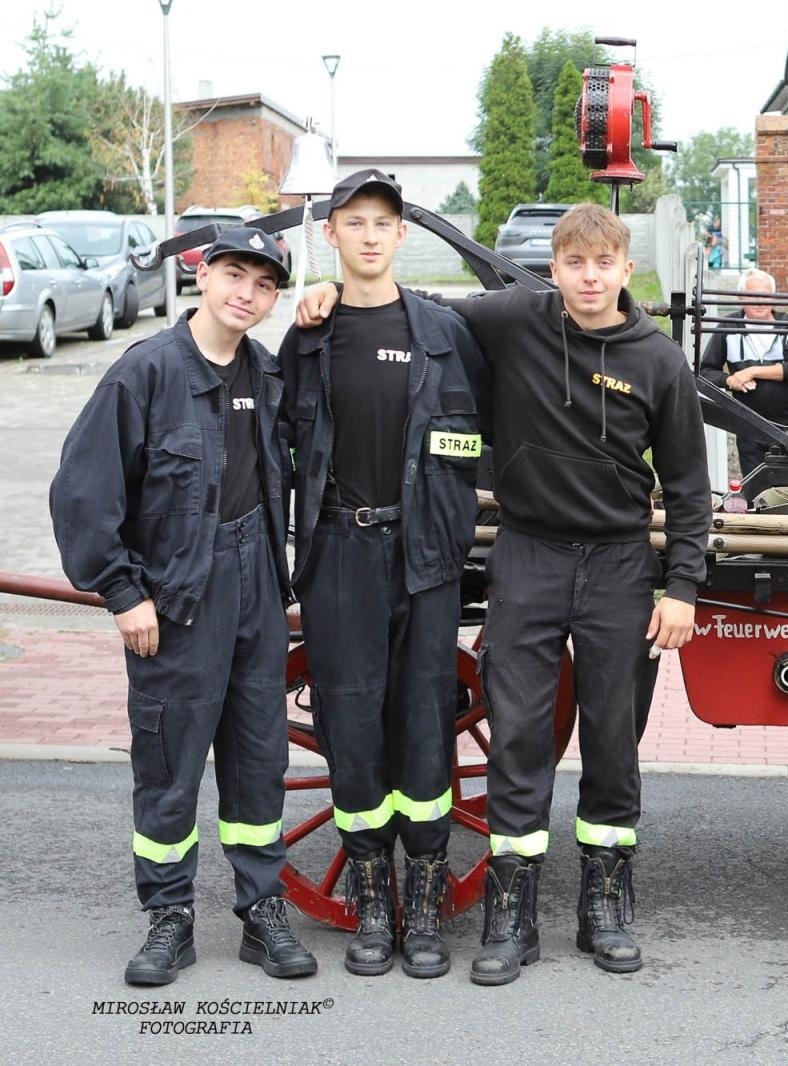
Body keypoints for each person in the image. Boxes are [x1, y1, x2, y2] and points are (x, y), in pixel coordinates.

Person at [297, 203, 710, 983]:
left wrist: (682, 584)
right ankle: (510, 915)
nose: (589, 278)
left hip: (620, 565)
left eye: (604, 264)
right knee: (518, 738)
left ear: (627, 270)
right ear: (553, 271)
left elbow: (690, 485)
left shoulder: (658, 360)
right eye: (574, 264)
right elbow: (417, 308)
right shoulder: (515, 318)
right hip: (528, 555)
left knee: (613, 741)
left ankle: (604, 908)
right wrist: (331, 293)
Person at [50, 227, 317, 986]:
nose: (247, 294)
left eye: (264, 285)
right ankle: (169, 915)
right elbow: (82, 492)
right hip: (177, 598)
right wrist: (122, 592)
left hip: (257, 582)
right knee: (168, 764)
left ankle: (262, 911)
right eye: (235, 275)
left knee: (259, 757)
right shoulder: (146, 373)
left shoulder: (267, 374)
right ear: (203, 275)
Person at [277, 169, 487, 979]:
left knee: (426, 723)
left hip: (425, 556)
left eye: (382, 223)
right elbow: (274, 450)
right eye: (354, 222)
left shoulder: (445, 333)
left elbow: (482, 435)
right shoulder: (308, 338)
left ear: (402, 235)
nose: (369, 235)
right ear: (331, 235)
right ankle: (372, 894)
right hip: (338, 555)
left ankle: (424, 896)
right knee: (353, 726)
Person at [697, 267, 788, 476]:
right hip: (748, 426)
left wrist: (752, 371)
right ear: (740, 297)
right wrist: (730, 380)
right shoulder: (728, 327)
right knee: (756, 486)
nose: (760, 302)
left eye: (765, 295)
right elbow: (705, 372)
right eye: (753, 295)